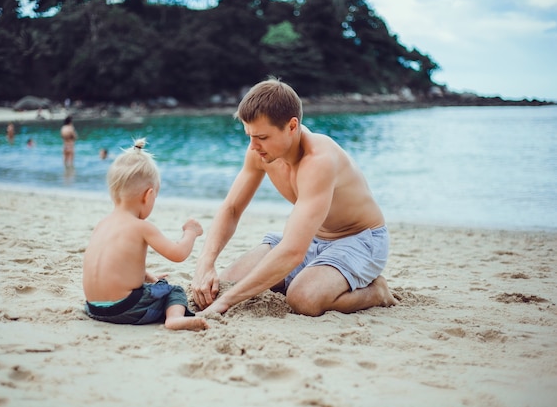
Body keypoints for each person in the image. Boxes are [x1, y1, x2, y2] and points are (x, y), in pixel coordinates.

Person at [192, 78, 398, 317]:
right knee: (223, 284)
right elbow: (232, 209)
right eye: (249, 136)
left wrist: (225, 303)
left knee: (303, 299)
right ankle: (304, 277)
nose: (253, 146)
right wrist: (205, 263)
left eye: (262, 137)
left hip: (359, 240)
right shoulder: (259, 152)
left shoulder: (319, 161)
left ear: (292, 126)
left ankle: (377, 292)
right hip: (312, 238)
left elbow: (292, 250)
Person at [83, 138, 208, 331]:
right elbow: (178, 254)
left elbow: (116, 264)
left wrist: (148, 276)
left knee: (154, 285)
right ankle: (174, 319)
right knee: (173, 291)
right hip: (125, 308)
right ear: (148, 195)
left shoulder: (102, 225)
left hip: (94, 308)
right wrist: (190, 233)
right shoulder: (141, 226)